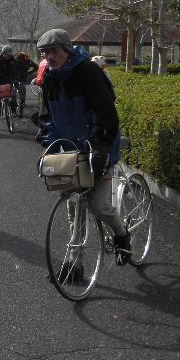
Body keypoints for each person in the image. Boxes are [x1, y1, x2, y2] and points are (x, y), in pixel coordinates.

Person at [37, 28, 131, 264]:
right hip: (70, 151)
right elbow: (47, 118)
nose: (49, 56)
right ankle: (75, 261)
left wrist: (100, 147)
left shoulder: (88, 71)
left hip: (98, 147)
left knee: (97, 205)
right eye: (45, 52)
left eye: (54, 50)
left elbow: (106, 113)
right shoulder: (49, 77)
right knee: (73, 203)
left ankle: (121, 234)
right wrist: (51, 146)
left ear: (67, 49)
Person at [0, 45, 19, 130]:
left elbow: (15, 71)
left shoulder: (13, 60)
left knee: (13, 99)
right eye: (6, 54)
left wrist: (15, 79)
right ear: (2, 53)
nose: (8, 56)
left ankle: (13, 113)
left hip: (9, 82)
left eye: (9, 54)